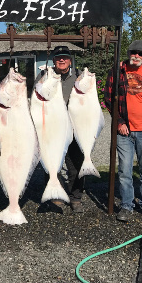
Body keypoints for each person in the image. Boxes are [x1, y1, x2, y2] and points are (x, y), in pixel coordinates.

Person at [104, 40, 142, 222]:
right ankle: (127, 205)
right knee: (124, 171)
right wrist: (119, 122)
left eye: (140, 53)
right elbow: (108, 98)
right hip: (124, 131)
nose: (136, 56)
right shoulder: (117, 71)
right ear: (129, 53)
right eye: (133, 52)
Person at [49, 45, 85, 213]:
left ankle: (75, 197)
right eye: (58, 57)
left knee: (75, 164)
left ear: (70, 60)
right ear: (54, 61)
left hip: (75, 127)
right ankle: (55, 195)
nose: (61, 60)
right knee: (51, 163)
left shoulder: (79, 77)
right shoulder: (44, 76)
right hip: (53, 128)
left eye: (64, 57)